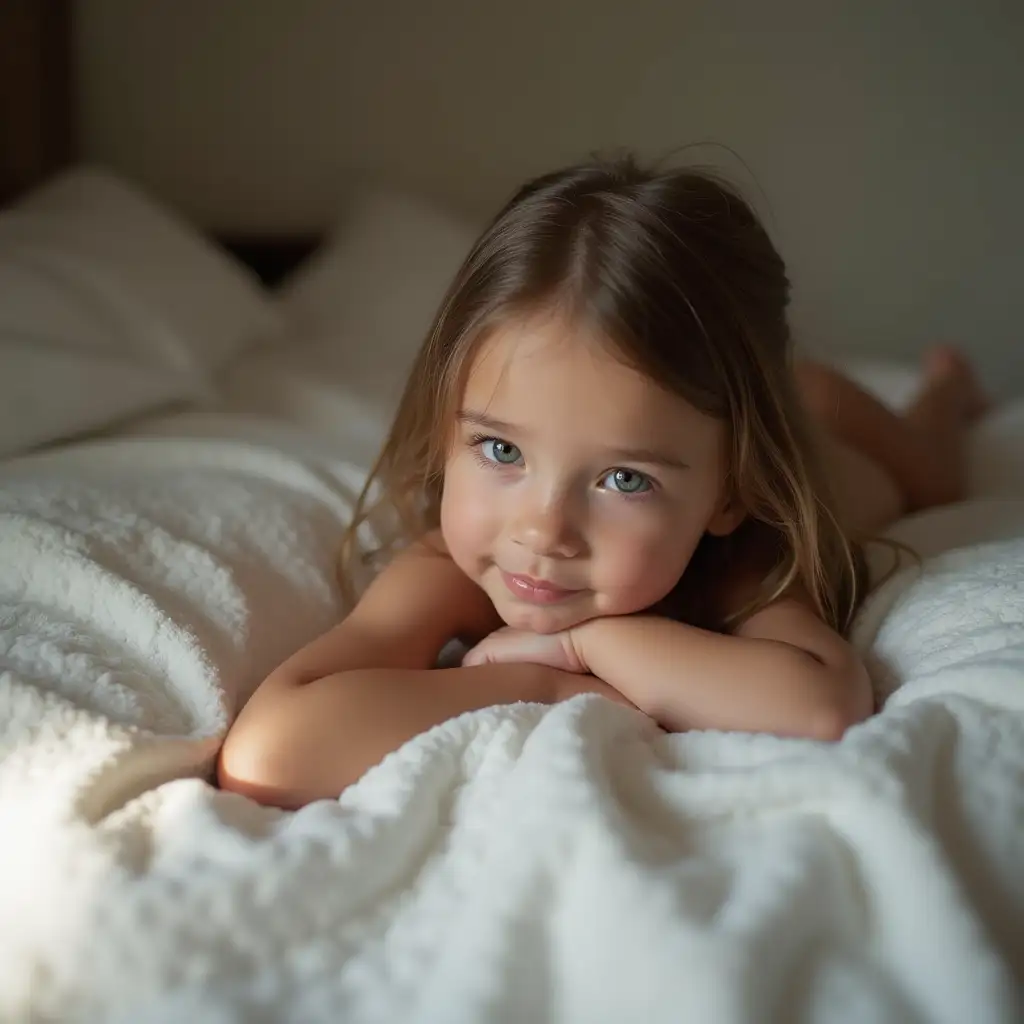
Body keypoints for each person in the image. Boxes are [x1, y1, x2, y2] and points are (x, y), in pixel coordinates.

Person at [217, 155, 990, 810]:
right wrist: (545, 689)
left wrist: (579, 645)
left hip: (840, 434)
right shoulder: (444, 566)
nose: (544, 530)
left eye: (624, 478)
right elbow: (270, 750)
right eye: (500, 451)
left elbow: (819, 707)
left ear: (728, 494)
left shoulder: (746, 554)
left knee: (932, 469)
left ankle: (946, 392)